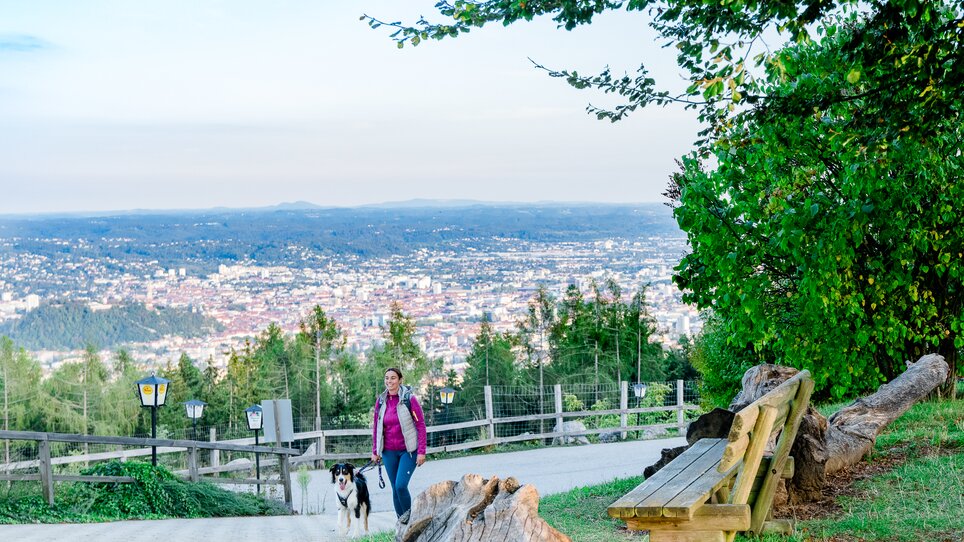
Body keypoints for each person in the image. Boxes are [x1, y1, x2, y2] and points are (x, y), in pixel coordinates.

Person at [371, 367, 427, 523]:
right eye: (387, 378)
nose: (389, 381)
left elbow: (421, 425)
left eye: (393, 378)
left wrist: (421, 451)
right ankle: (401, 525)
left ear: (400, 380)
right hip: (388, 452)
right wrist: (375, 451)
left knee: (401, 485)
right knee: (395, 488)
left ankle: (411, 521)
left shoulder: (409, 400)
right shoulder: (381, 401)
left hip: (408, 451)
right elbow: (376, 426)